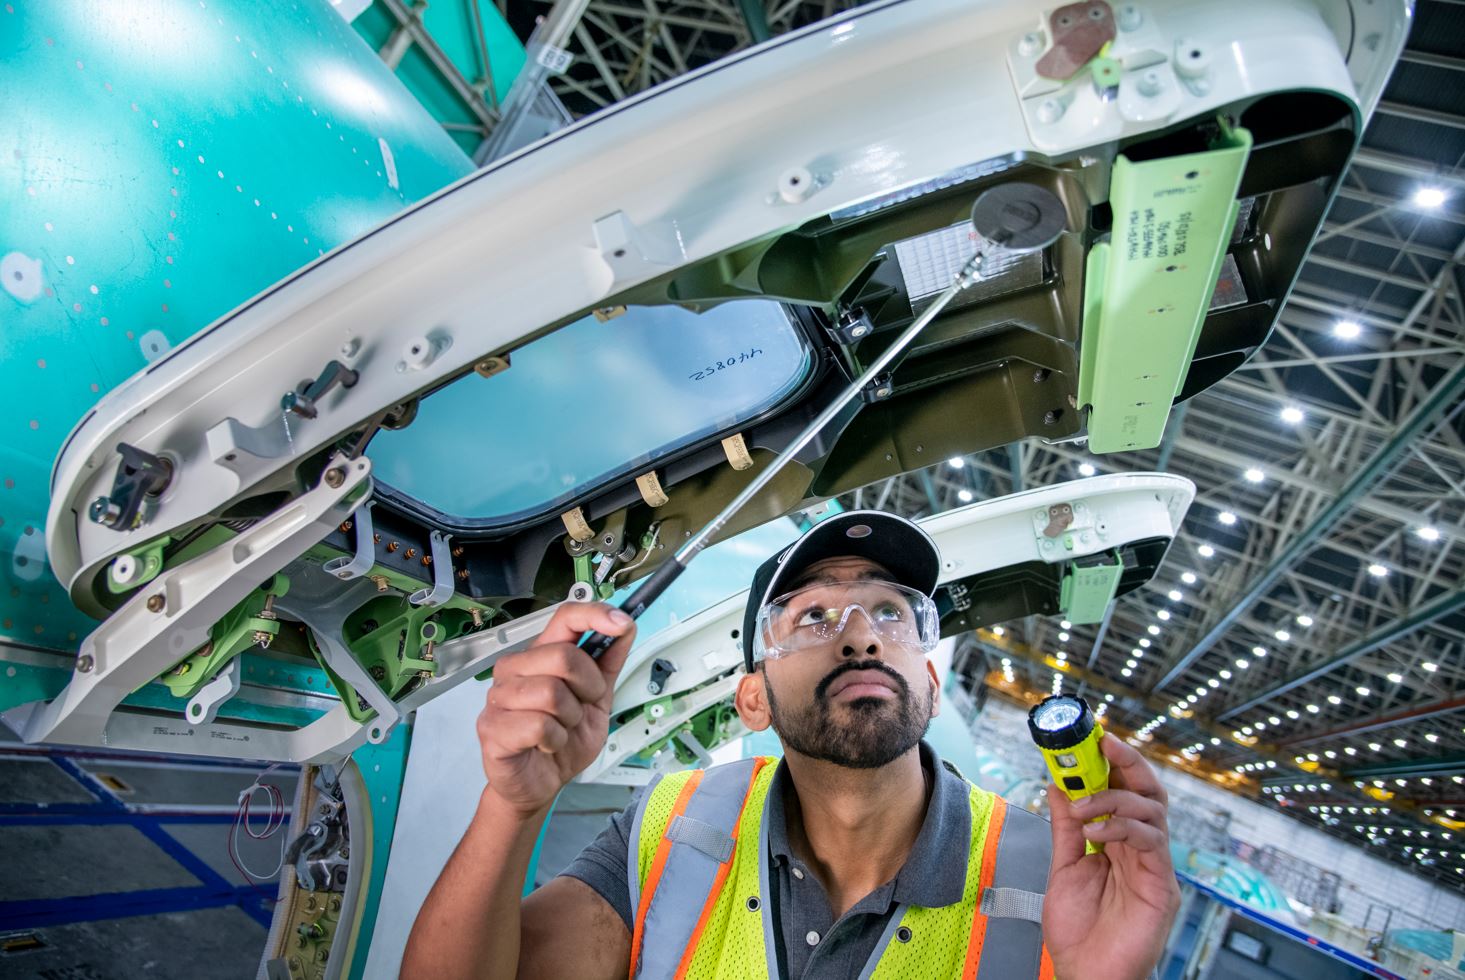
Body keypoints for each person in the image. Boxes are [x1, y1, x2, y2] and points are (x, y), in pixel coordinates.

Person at [403, 510, 1180, 979]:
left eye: (890, 611)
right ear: (752, 698)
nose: (860, 637)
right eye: (812, 616)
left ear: (931, 686)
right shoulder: (670, 829)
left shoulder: (1053, 879)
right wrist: (512, 805)